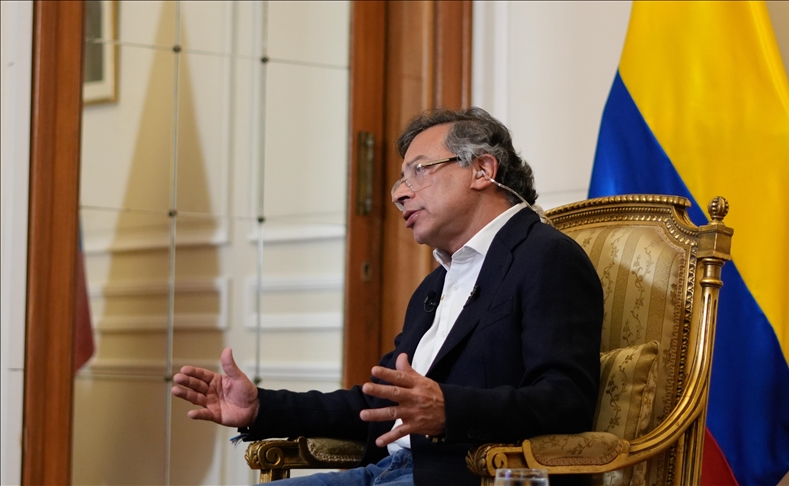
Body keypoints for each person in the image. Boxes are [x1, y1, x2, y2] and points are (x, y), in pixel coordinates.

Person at [172, 107, 603, 486]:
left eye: (419, 170)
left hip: (468, 477)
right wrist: (260, 407)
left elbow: (567, 400)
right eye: (401, 178)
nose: (399, 193)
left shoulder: (546, 256)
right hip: (384, 471)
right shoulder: (437, 284)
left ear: (481, 170)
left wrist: (450, 409)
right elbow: (377, 405)